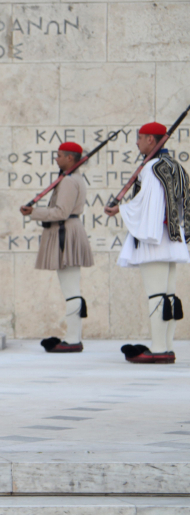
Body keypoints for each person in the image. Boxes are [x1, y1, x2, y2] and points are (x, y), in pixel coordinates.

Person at [105, 122, 189, 363]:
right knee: (169, 296)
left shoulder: (152, 168)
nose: (137, 143)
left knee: (156, 295)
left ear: (151, 140)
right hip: (172, 237)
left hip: (154, 238)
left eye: (140, 138)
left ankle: (159, 349)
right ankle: (167, 347)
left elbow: (147, 206)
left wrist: (119, 209)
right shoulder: (175, 166)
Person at [20, 142, 94, 353]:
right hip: (67, 230)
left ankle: (72, 339)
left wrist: (33, 213)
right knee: (71, 288)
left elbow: (61, 212)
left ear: (70, 158)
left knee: (71, 290)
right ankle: (73, 337)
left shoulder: (70, 181)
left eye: (59, 155)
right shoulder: (70, 179)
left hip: (65, 232)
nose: (56, 158)